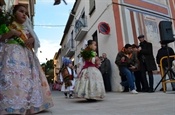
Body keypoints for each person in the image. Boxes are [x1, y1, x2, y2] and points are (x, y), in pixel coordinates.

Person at [0, 5, 53, 114]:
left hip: (26, 57)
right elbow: (2, 38)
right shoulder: (8, 25)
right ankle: (10, 103)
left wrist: (32, 39)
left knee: (27, 80)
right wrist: (13, 33)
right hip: (10, 55)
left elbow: (35, 44)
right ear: (14, 13)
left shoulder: (27, 29)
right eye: (21, 11)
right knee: (10, 79)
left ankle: (26, 104)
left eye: (26, 13)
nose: (24, 14)